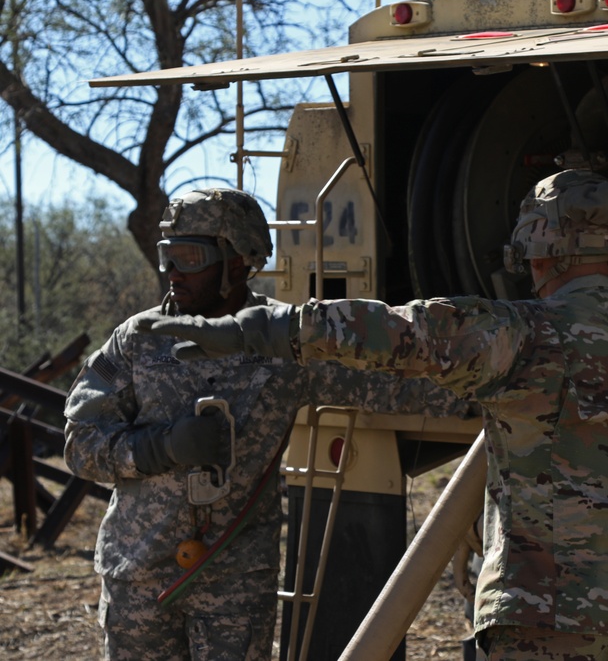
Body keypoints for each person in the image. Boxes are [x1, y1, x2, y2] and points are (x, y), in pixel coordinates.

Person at [139, 170, 608, 660]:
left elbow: (393, 332)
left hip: (547, 617)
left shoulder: (521, 335)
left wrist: (250, 330)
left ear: (540, 251)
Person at [64, 187, 470, 661]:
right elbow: (80, 444)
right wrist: (161, 448)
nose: (173, 271)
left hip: (233, 588)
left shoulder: (283, 343)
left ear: (238, 261)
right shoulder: (138, 340)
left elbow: (394, 388)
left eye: (190, 257)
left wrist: (494, 389)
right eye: (166, 256)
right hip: (139, 577)